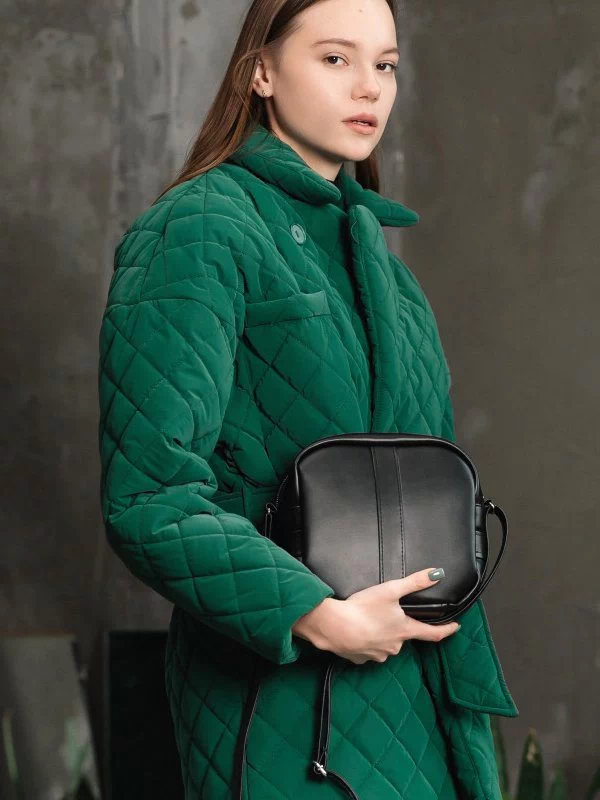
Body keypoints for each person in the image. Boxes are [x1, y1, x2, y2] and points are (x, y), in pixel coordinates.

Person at [98, 0, 519, 797]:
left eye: (385, 64)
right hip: (288, 699)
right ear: (261, 71)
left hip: (421, 695)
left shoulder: (388, 273)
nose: (368, 87)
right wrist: (319, 616)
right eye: (335, 58)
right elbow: (147, 496)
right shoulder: (197, 229)